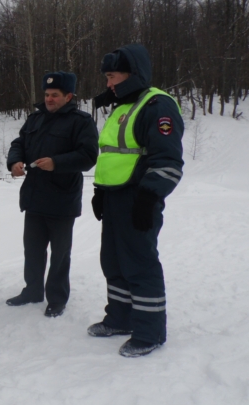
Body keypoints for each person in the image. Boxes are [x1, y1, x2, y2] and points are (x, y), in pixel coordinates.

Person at [89, 44, 184, 357]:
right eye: (106, 77)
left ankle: (149, 332)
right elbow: (113, 155)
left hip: (138, 197)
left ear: (132, 74)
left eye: (112, 75)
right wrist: (100, 192)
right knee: (113, 262)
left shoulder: (157, 105)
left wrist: (149, 197)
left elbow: (168, 161)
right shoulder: (122, 107)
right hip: (115, 197)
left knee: (139, 265)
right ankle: (120, 318)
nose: (108, 83)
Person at [5, 71, 99, 318]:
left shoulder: (81, 121)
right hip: (34, 197)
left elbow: (88, 156)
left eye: (54, 95)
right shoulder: (35, 119)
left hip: (62, 199)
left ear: (69, 96)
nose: (49, 99)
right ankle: (32, 290)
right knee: (33, 250)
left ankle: (57, 298)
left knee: (60, 254)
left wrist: (56, 163)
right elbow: (18, 144)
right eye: (46, 94)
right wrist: (14, 162)